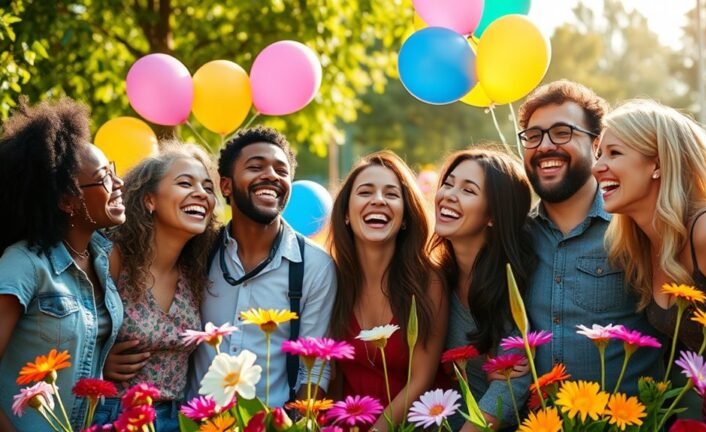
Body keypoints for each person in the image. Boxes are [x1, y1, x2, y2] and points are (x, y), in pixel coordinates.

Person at [594, 99, 706, 430]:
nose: (597, 166)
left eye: (614, 153)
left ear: (656, 164)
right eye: (599, 154)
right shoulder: (641, 244)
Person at [517, 80, 663, 394]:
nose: (544, 146)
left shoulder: (636, 227)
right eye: (533, 136)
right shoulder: (517, 238)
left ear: (597, 145)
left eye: (562, 132)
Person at [0, 99, 126, 431]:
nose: (119, 184)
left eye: (114, 172)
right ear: (67, 201)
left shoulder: (102, 259)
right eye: (104, 179)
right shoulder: (22, 264)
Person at [190, 126, 337, 407]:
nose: (271, 175)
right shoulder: (197, 253)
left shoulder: (314, 266)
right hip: (195, 423)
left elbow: (315, 367)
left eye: (282, 172)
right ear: (226, 185)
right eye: (255, 166)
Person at [92, 143, 219, 431]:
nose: (201, 193)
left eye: (208, 188)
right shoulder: (112, 258)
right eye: (185, 183)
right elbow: (68, 331)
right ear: (150, 199)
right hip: (114, 415)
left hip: (178, 419)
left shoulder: (196, 271)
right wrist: (99, 364)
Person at [328, 151, 448, 430]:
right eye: (365, 191)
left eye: (391, 194)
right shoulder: (332, 280)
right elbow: (332, 378)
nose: (378, 200)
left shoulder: (428, 281)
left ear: (405, 216)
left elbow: (421, 379)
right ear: (346, 213)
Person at [432, 147, 535, 430]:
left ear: (493, 215)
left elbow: (511, 386)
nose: (448, 195)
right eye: (448, 183)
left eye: (468, 190)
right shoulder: (437, 278)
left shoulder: (512, 283)